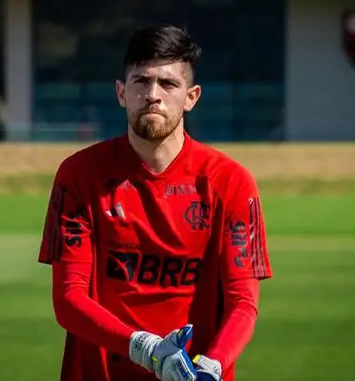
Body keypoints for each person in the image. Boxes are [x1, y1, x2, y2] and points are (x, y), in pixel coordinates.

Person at [38, 24, 273, 381]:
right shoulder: (79, 176)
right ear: (121, 92)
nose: (153, 95)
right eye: (140, 81)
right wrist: (146, 349)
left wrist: (211, 365)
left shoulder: (231, 183)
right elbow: (69, 299)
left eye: (168, 83)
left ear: (191, 96)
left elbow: (244, 304)